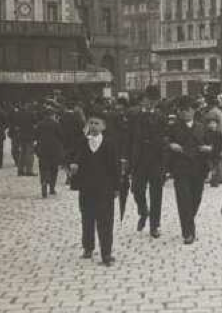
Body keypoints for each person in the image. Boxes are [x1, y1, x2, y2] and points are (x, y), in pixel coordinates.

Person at [68, 110, 119, 266]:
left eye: (97, 123)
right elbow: (74, 157)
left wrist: (116, 187)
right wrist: (73, 165)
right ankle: (88, 247)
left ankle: (106, 253)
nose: (94, 126)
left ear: (103, 126)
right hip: (87, 187)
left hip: (105, 189)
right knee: (87, 218)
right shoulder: (82, 143)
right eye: (91, 123)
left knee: (105, 221)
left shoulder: (109, 143)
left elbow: (115, 167)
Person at [167, 96, 213, 244]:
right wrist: (170, 145)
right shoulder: (173, 127)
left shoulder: (202, 127)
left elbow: (213, 145)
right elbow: (164, 141)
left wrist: (209, 148)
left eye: (188, 110)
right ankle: (188, 232)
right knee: (184, 200)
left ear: (193, 111)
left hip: (198, 168)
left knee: (196, 199)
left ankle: (188, 220)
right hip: (181, 169)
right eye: (182, 111)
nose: (185, 113)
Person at [130, 87, 167, 237]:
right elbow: (129, 137)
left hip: (156, 159)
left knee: (156, 193)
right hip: (139, 158)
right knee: (137, 190)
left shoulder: (161, 116)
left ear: (157, 101)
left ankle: (154, 225)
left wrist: (165, 163)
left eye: (153, 100)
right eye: (148, 99)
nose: (150, 103)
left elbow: (165, 139)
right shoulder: (134, 115)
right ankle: (144, 211)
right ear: (143, 99)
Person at [35, 109, 65, 198]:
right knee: (54, 169)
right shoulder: (56, 124)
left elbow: (36, 135)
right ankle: (52, 187)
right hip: (54, 150)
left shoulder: (40, 124)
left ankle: (44, 181)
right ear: (52, 115)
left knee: (43, 167)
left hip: (42, 149)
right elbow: (61, 136)